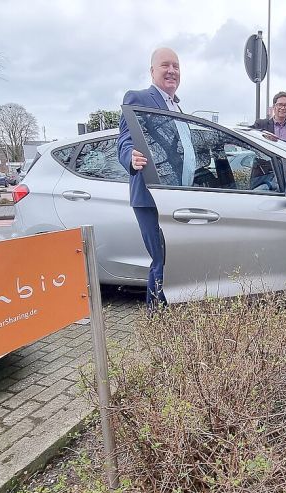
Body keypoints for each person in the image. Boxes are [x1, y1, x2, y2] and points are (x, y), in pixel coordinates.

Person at [117, 47, 185, 307]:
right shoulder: (139, 98)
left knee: (173, 259)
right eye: (165, 65)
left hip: (174, 194)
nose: (171, 71)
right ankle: (156, 321)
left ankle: (166, 316)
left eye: (176, 66)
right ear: (152, 71)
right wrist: (131, 159)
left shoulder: (178, 106)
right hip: (149, 194)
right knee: (162, 260)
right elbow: (124, 139)